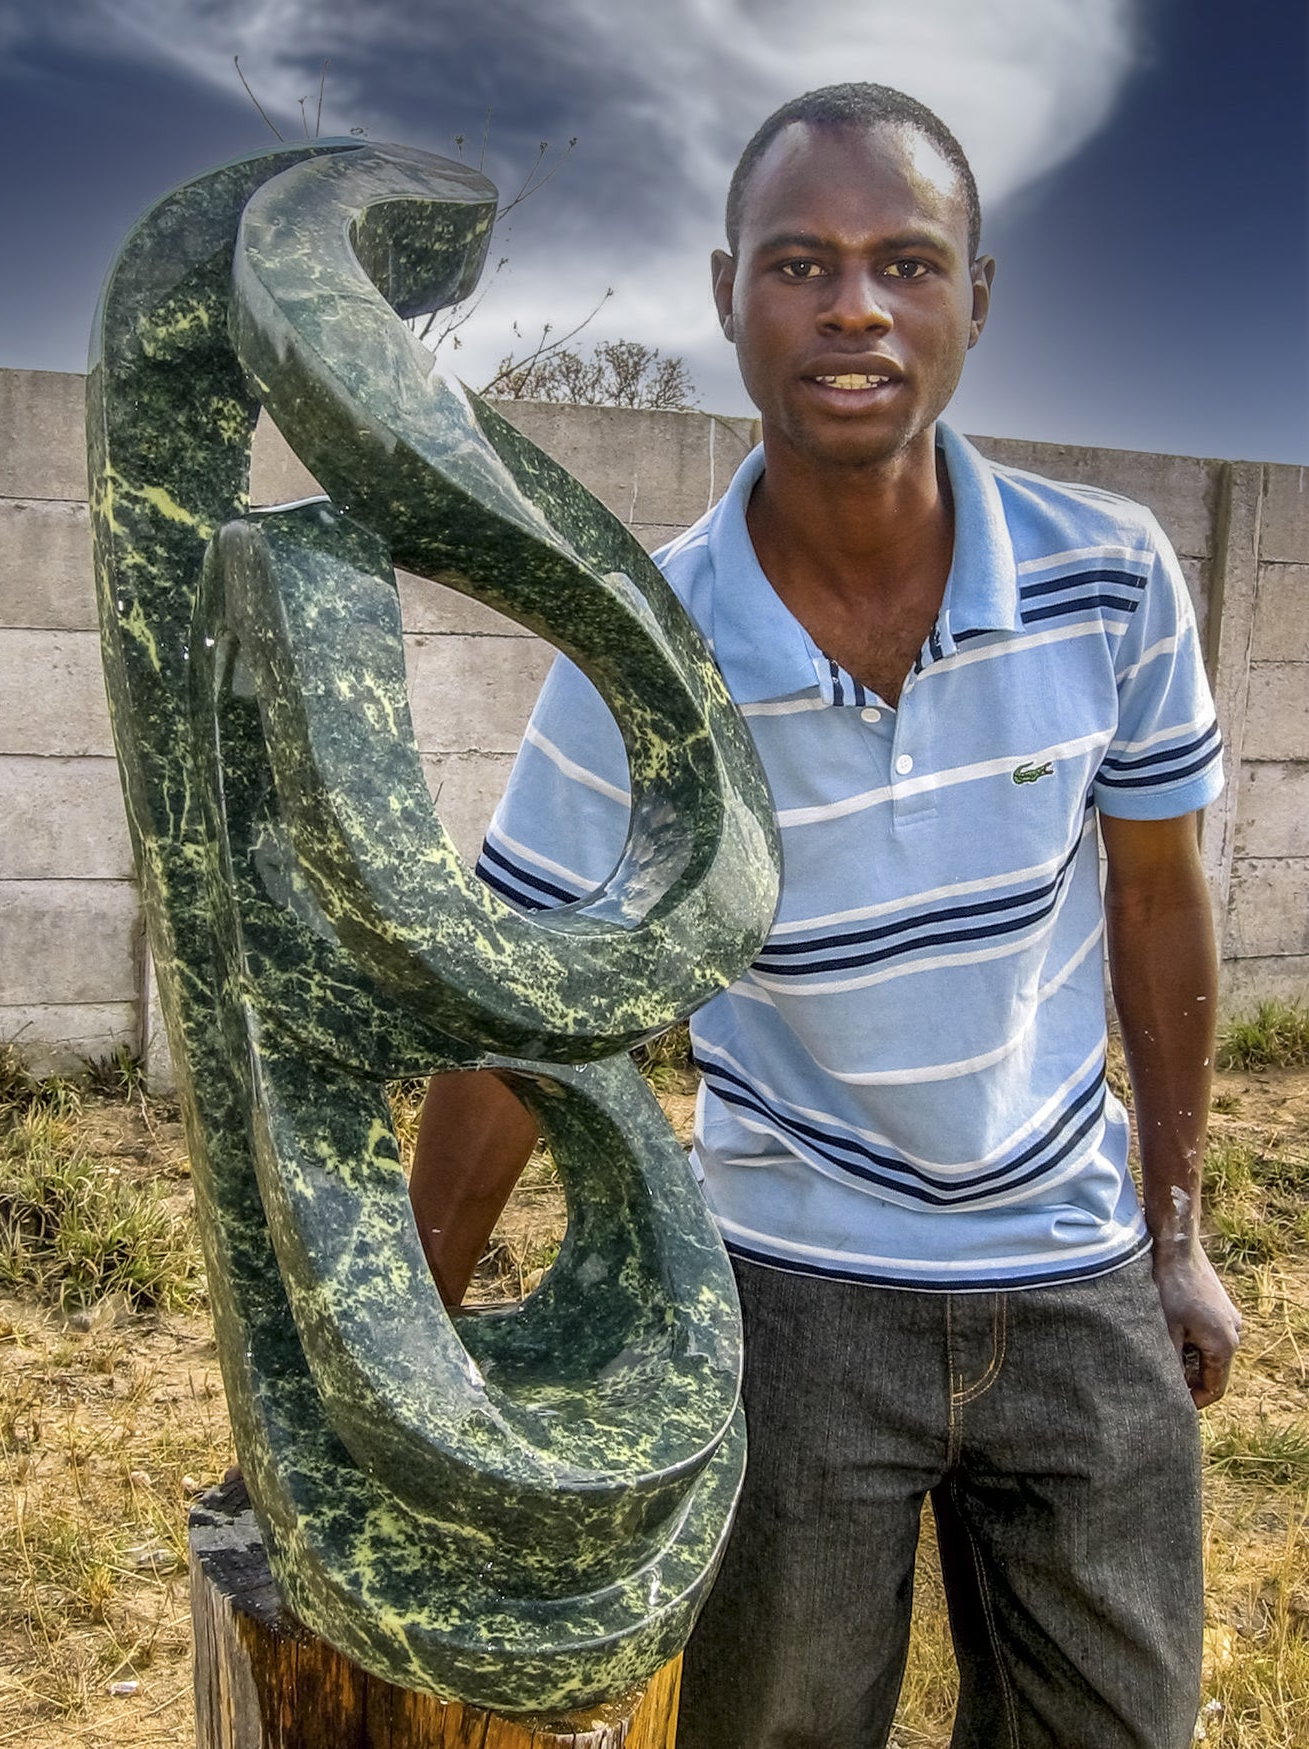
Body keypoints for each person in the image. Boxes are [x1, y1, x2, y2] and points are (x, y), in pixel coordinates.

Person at [410, 83, 1241, 1749]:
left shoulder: (1114, 575)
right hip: (786, 1291)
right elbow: (518, 1001)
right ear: (726, 293)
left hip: (1072, 1274)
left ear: (974, 300)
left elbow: (1157, 907)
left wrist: (1179, 1234)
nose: (854, 306)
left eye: (904, 263)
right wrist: (403, 1359)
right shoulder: (642, 643)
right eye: (801, 262)